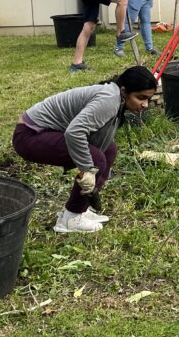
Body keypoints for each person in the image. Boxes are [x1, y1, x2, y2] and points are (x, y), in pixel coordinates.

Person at [12, 66, 157, 233]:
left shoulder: (116, 97)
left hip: (47, 132)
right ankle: (71, 219)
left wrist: (94, 171)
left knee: (109, 150)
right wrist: (88, 169)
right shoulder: (109, 100)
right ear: (124, 91)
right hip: (30, 135)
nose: (145, 104)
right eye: (141, 98)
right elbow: (74, 133)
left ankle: (79, 210)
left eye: (148, 99)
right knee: (96, 160)